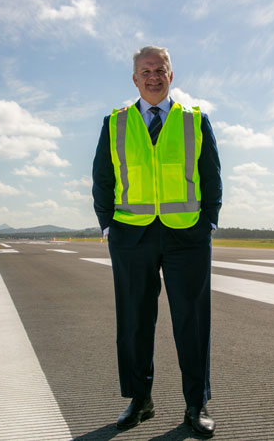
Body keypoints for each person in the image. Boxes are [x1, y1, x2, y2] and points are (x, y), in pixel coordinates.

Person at [92, 45, 222, 437]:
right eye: (145, 70)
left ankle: (195, 405)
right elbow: (102, 177)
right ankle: (140, 400)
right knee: (134, 321)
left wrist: (208, 223)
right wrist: (108, 225)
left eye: (160, 69)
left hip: (187, 236)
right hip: (132, 235)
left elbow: (211, 175)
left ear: (171, 75)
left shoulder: (194, 120)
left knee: (192, 322)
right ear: (135, 79)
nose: (153, 76)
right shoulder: (115, 122)